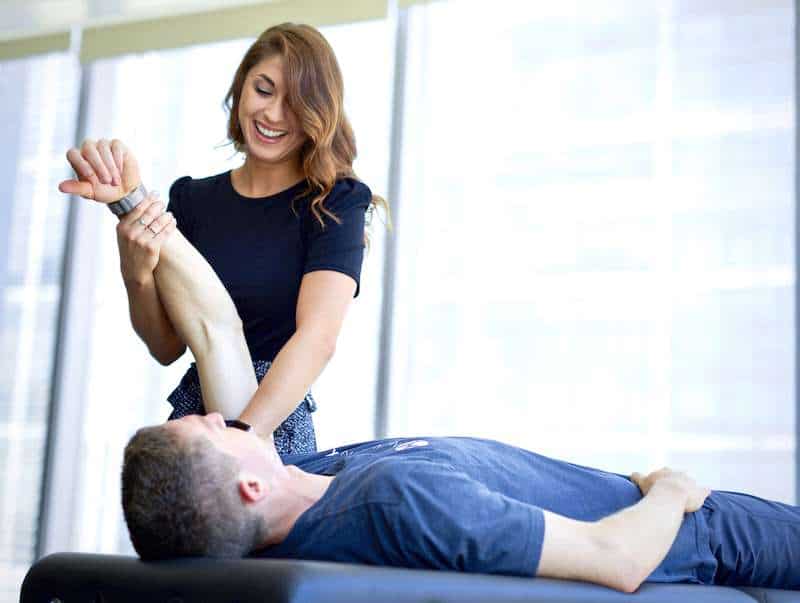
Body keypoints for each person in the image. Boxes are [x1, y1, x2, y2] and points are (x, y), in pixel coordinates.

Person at [63, 71, 798, 599]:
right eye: (213, 428)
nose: (226, 416)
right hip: (697, 528)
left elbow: (221, 327)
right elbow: (618, 557)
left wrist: (130, 202)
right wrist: (668, 490)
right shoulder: (390, 502)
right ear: (250, 479)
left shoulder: (311, 486)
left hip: (641, 503)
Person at [58, 23, 386, 454]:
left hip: (271, 422)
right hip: (198, 418)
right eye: (264, 90)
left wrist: (243, 440)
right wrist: (136, 272)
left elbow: (318, 338)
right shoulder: (192, 199)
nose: (273, 114)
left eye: (295, 102)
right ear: (241, 87)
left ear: (317, 112)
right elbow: (166, 345)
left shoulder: (335, 202)